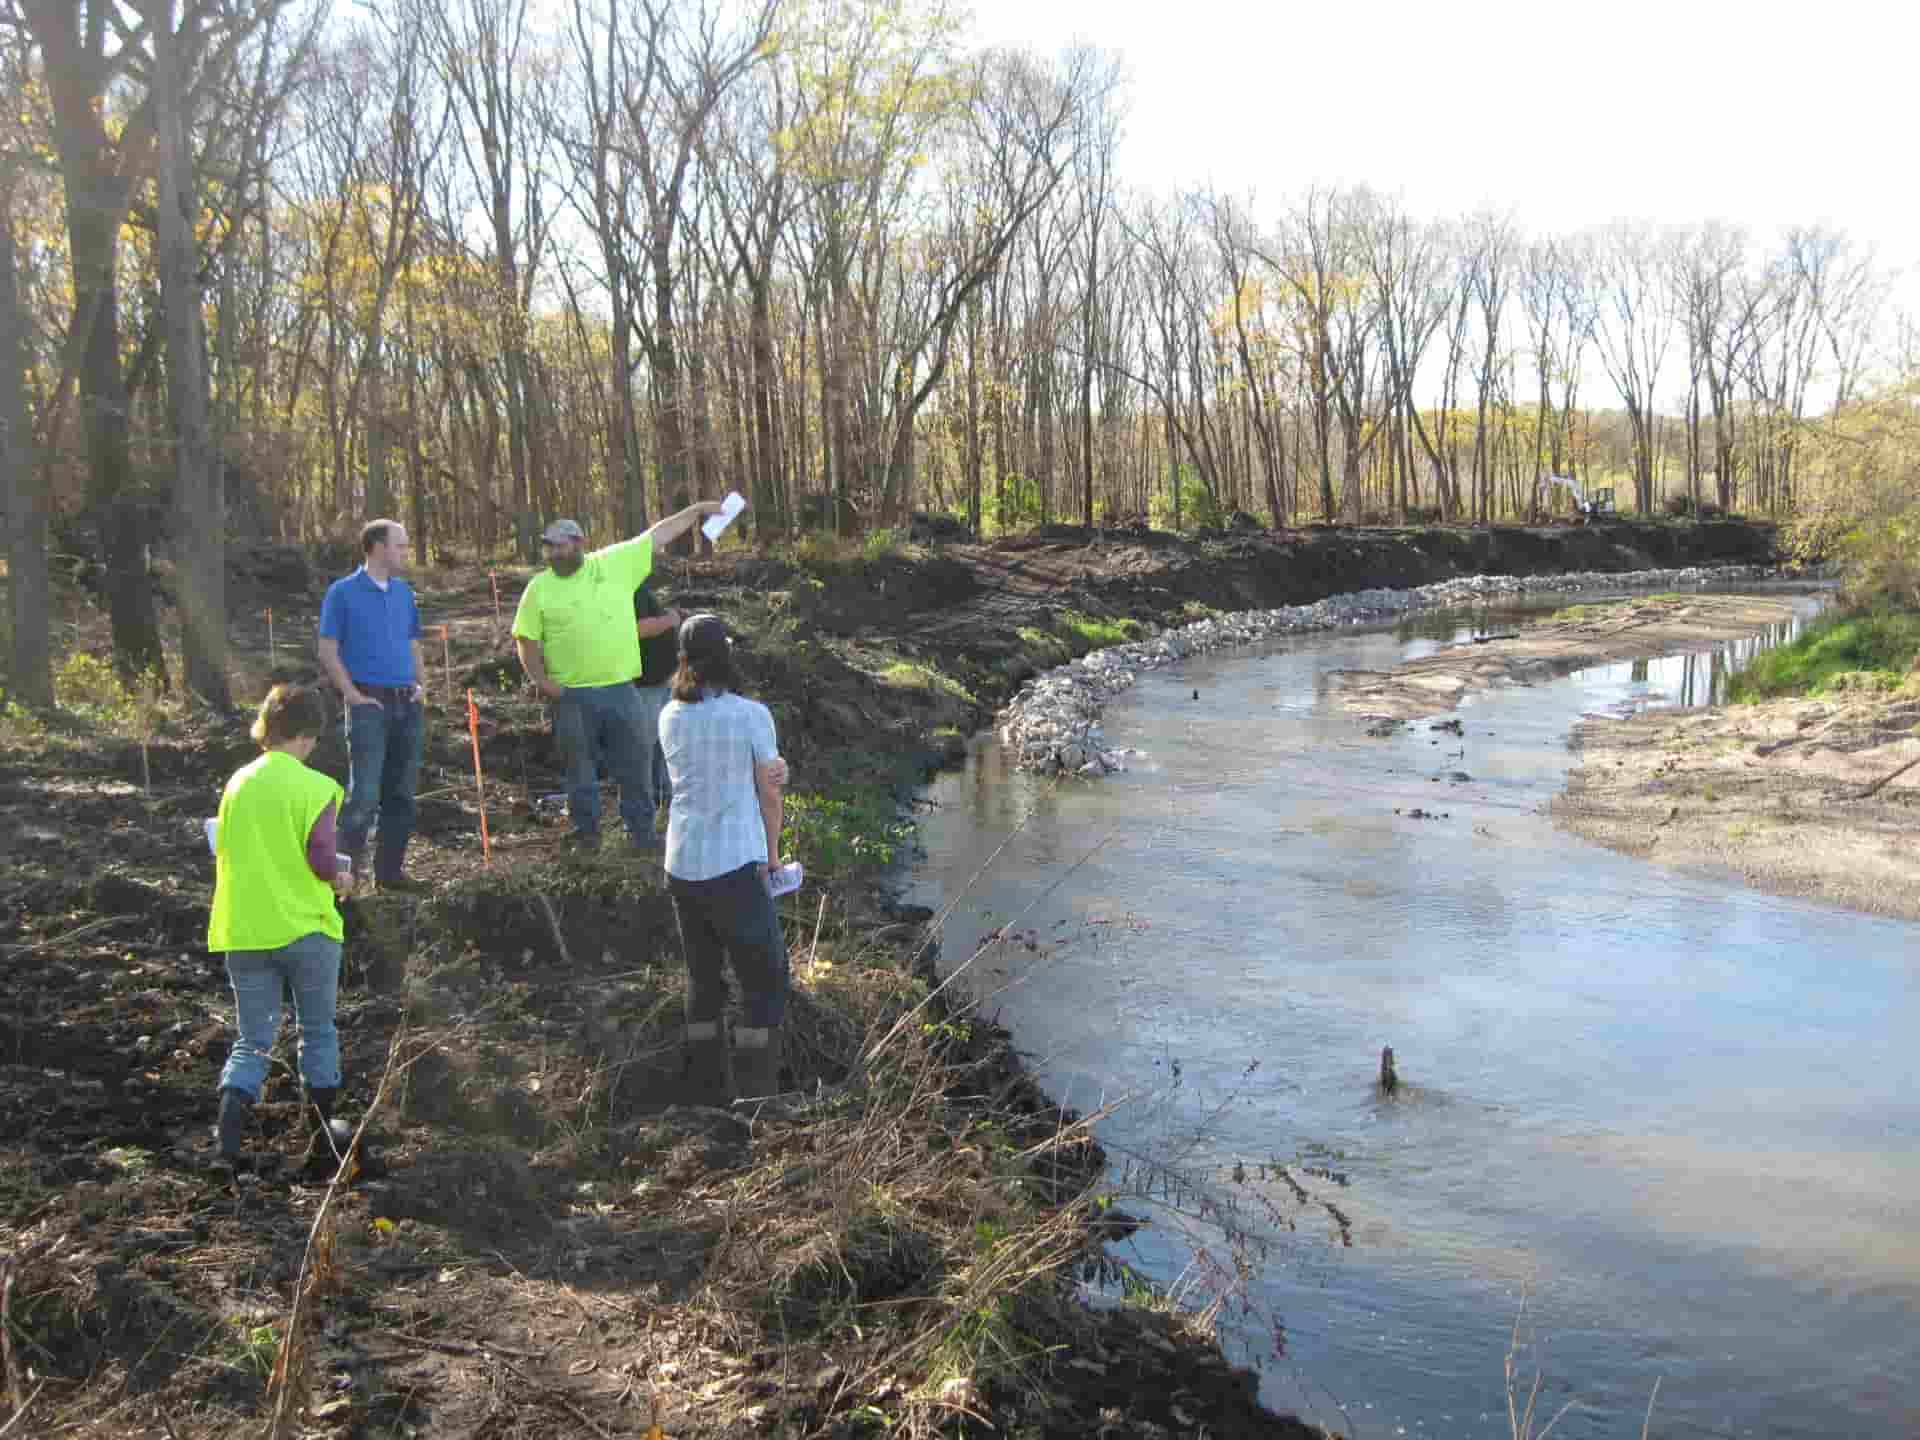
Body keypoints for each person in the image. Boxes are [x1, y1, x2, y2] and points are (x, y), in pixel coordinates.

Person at [512, 504, 723, 851]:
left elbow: (659, 534)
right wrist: (542, 681)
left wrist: (698, 510)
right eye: (548, 547)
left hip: (622, 690)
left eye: (559, 546)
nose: (552, 553)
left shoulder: (613, 564)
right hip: (571, 696)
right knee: (579, 768)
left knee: (636, 762)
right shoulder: (539, 588)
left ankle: (640, 832)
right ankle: (587, 835)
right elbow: (526, 640)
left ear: (579, 543)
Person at [207, 685, 354, 1177]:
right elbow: (321, 861)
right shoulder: (316, 787)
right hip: (306, 929)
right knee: (317, 1031)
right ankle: (320, 1144)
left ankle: (226, 1150)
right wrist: (345, 877)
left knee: (252, 1040)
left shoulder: (237, 783)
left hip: (244, 929)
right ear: (310, 734)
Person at [659, 614, 791, 1104]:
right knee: (765, 981)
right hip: (734, 865)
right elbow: (768, 793)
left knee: (703, 978)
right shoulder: (750, 715)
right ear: (728, 657)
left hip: (682, 864)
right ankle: (757, 1100)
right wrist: (773, 857)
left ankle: (706, 1092)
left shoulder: (669, 713)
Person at [317, 519, 427, 894]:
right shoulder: (342, 593)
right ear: (378, 547)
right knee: (363, 796)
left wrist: (421, 685)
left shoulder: (403, 593)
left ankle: (390, 875)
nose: (405, 553)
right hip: (368, 705)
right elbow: (328, 650)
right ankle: (344, 882)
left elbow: (413, 644)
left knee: (401, 795)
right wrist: (351, 693)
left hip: (407, 705)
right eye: (400, 545)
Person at [634, 578, 684, 830]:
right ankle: (646, 809)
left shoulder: (640, 589)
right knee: (646, 744)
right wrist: (670, 620)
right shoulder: (626, 591)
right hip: (645, 684)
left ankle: (665, 800)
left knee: (664, 743)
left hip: (662, 680)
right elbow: (637, 628)